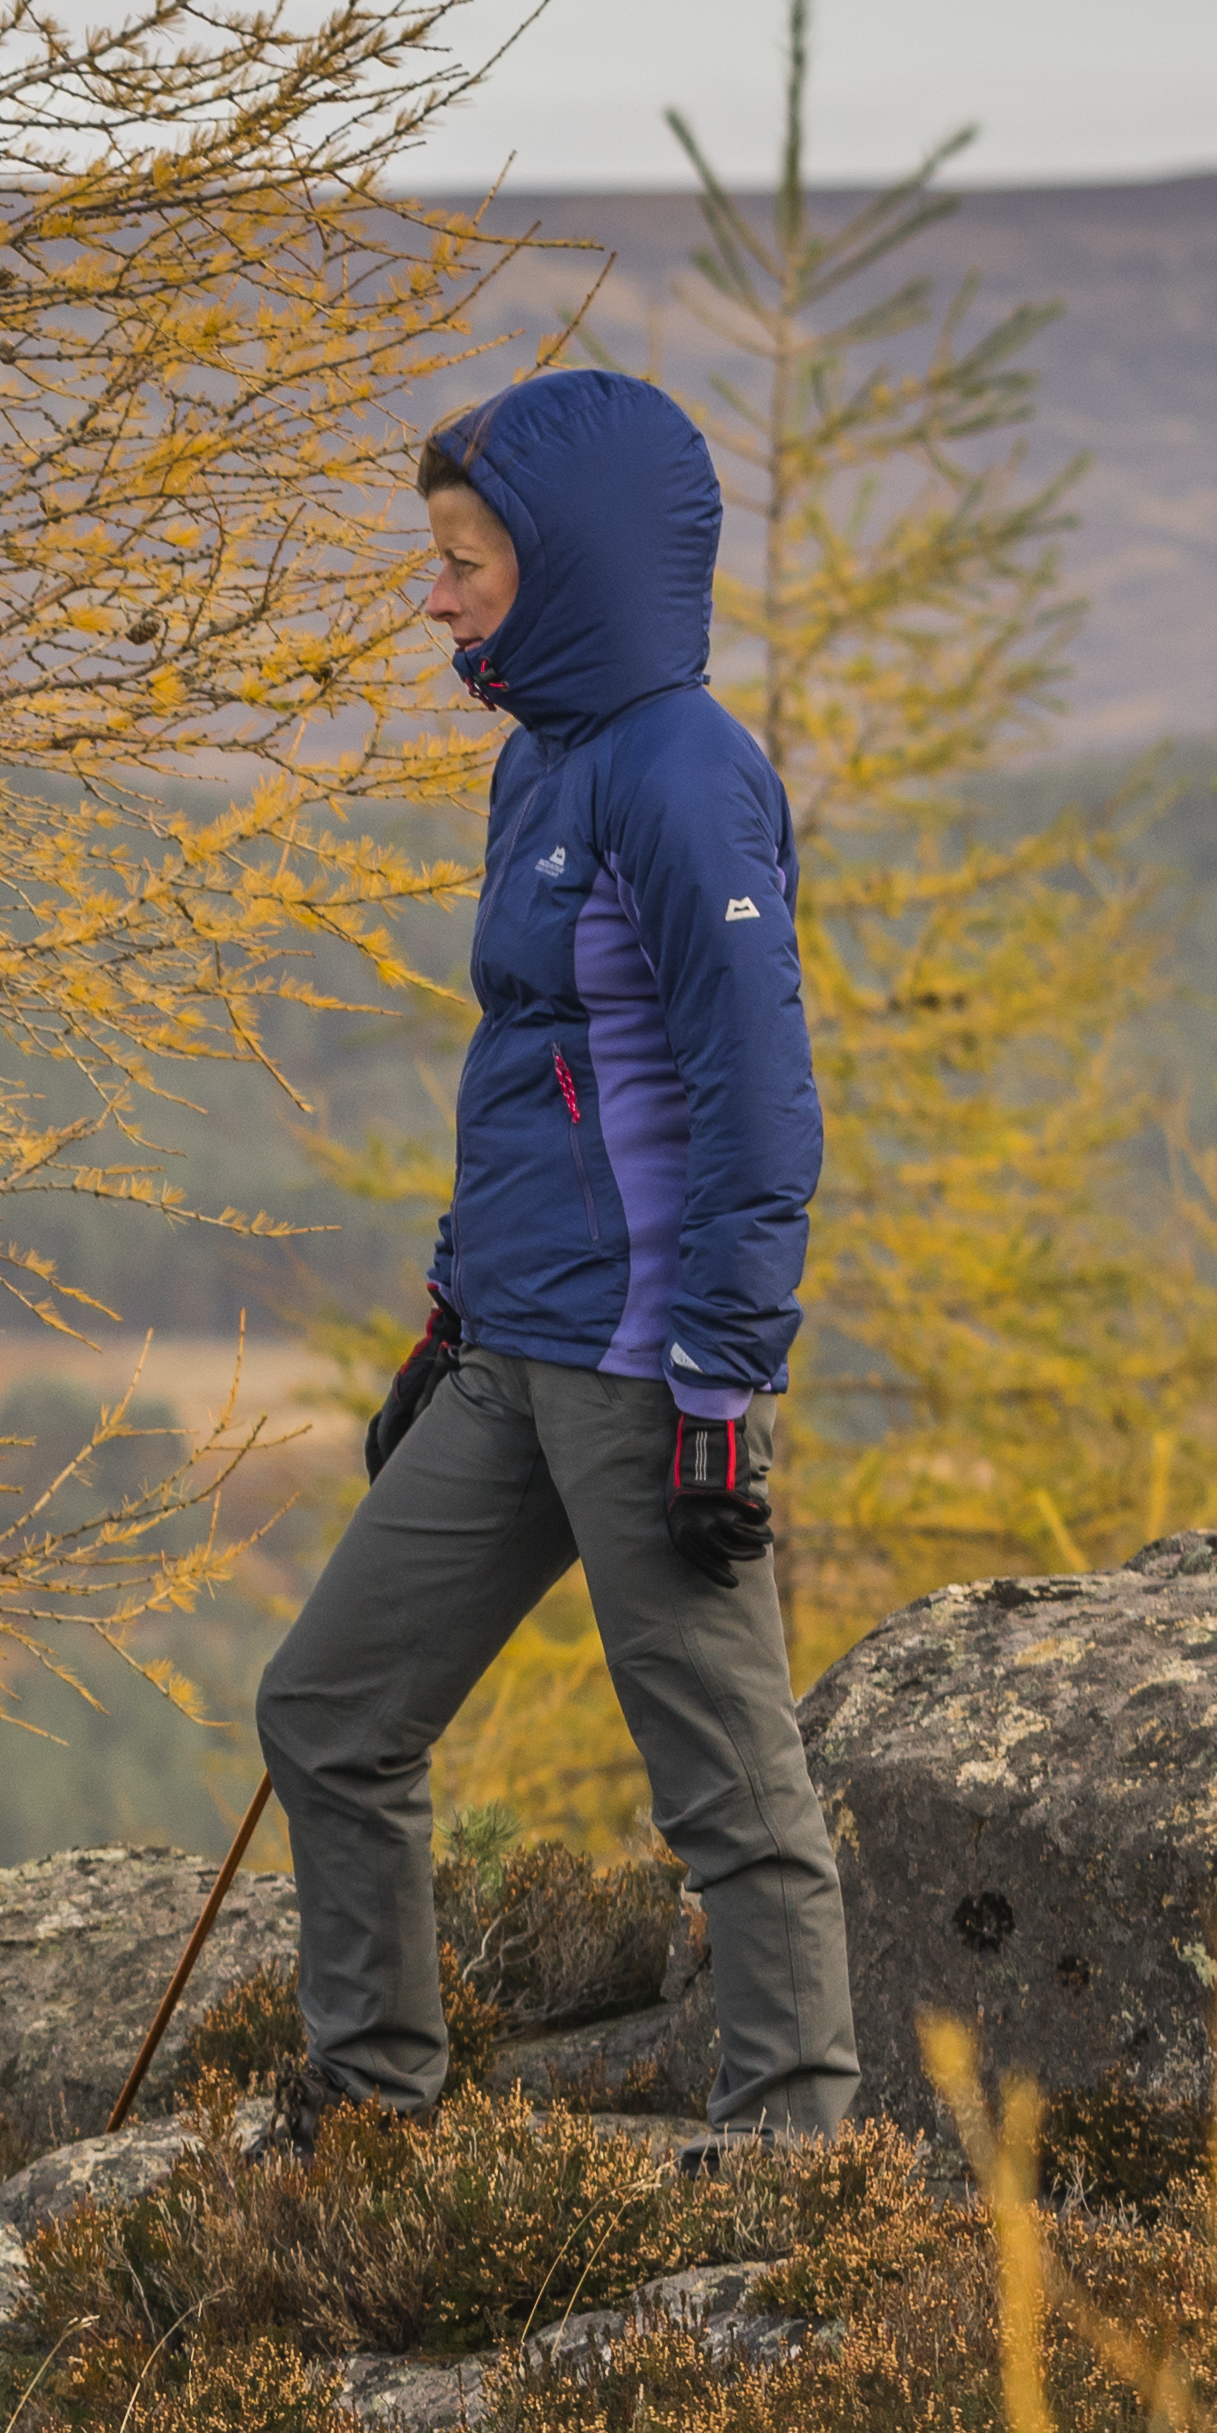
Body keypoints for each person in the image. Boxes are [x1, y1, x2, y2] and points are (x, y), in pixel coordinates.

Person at [245, 363, 855, 2146]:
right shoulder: (545, 765)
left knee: (726, 1781)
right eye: (437, 559)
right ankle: (371, 2111)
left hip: (645, 1369)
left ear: (569, 565)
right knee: (328, 1713)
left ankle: (801, 2160)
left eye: (466, 563)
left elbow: (759, 1096)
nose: (434, 597)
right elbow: (542, 1064)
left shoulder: (685, 778)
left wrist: (721, 1388)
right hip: (515, 1348)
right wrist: (454, 1303)